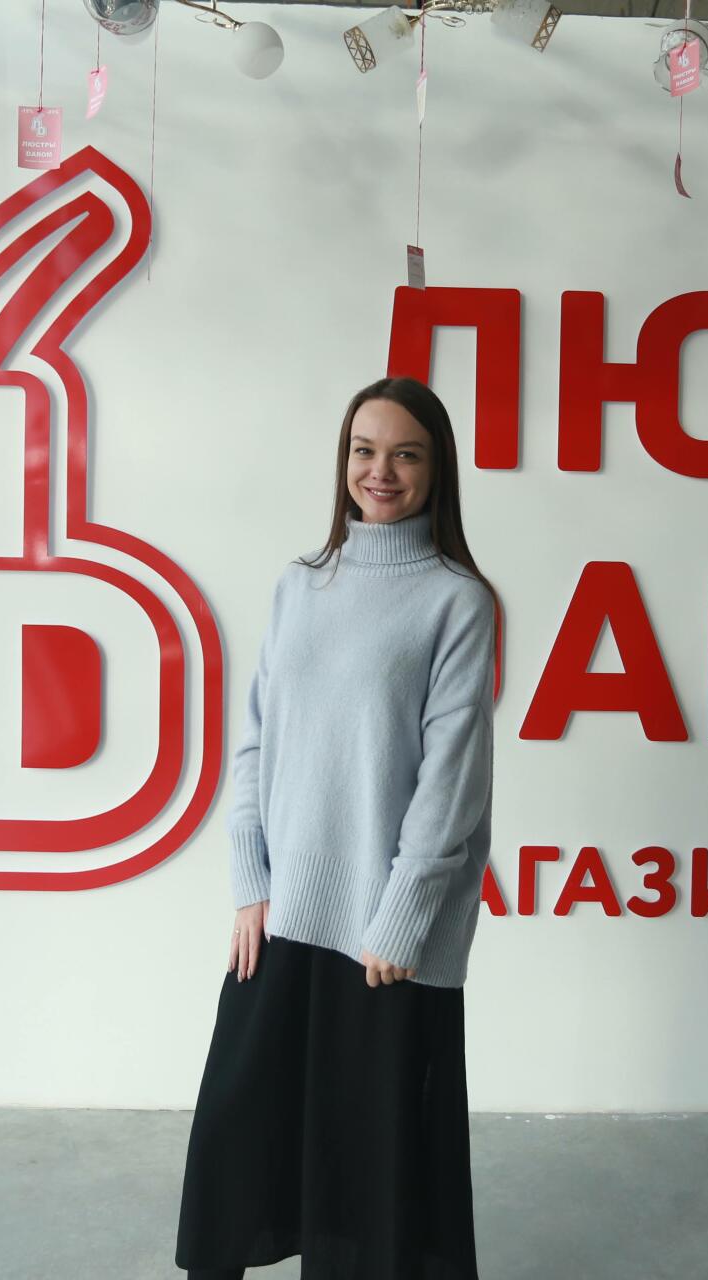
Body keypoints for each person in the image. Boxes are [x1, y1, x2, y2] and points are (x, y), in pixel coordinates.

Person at [174, 376, 499, 1280]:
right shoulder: (301, 583)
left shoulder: (456, 600)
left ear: (437, 470)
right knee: (238, 1134)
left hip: (381, 934)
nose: (380, 471)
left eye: (405, 454)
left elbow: (452, 781)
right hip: (284, 912)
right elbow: (255, 737)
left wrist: (402, 919)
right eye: (364, 450)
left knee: (365, 1174)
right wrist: (250, 880)